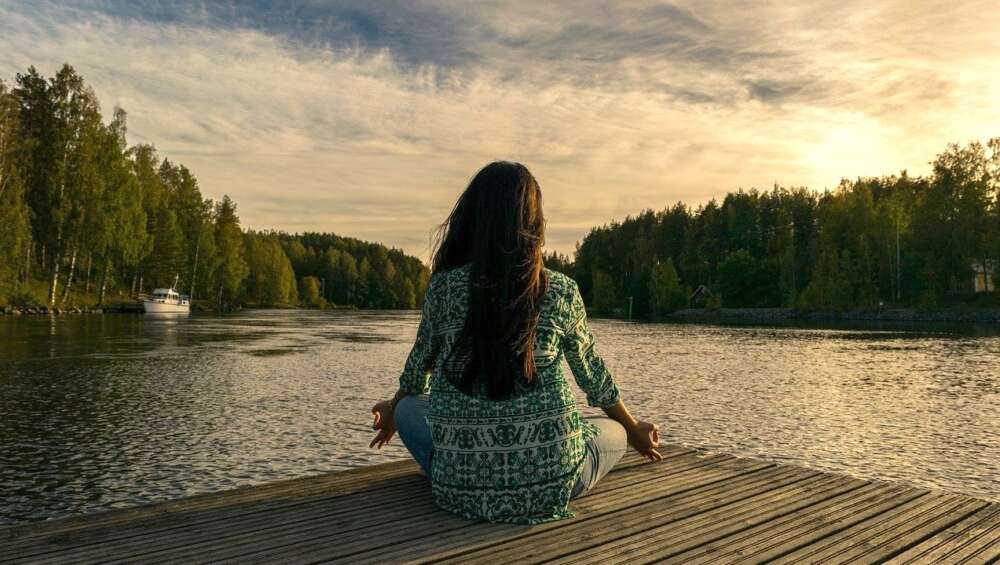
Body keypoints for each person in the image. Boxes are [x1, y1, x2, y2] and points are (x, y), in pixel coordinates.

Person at [369, 161, 661, 524]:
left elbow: (416, 373)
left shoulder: (443, 288)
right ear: (534, 223)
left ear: (472, 219)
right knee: (613, 429)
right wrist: (635, 431)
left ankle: (461, 469)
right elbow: (594, 379)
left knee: (411, 407)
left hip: (459, 489)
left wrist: (395, 408)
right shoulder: (561, 291)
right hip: (554, 483)